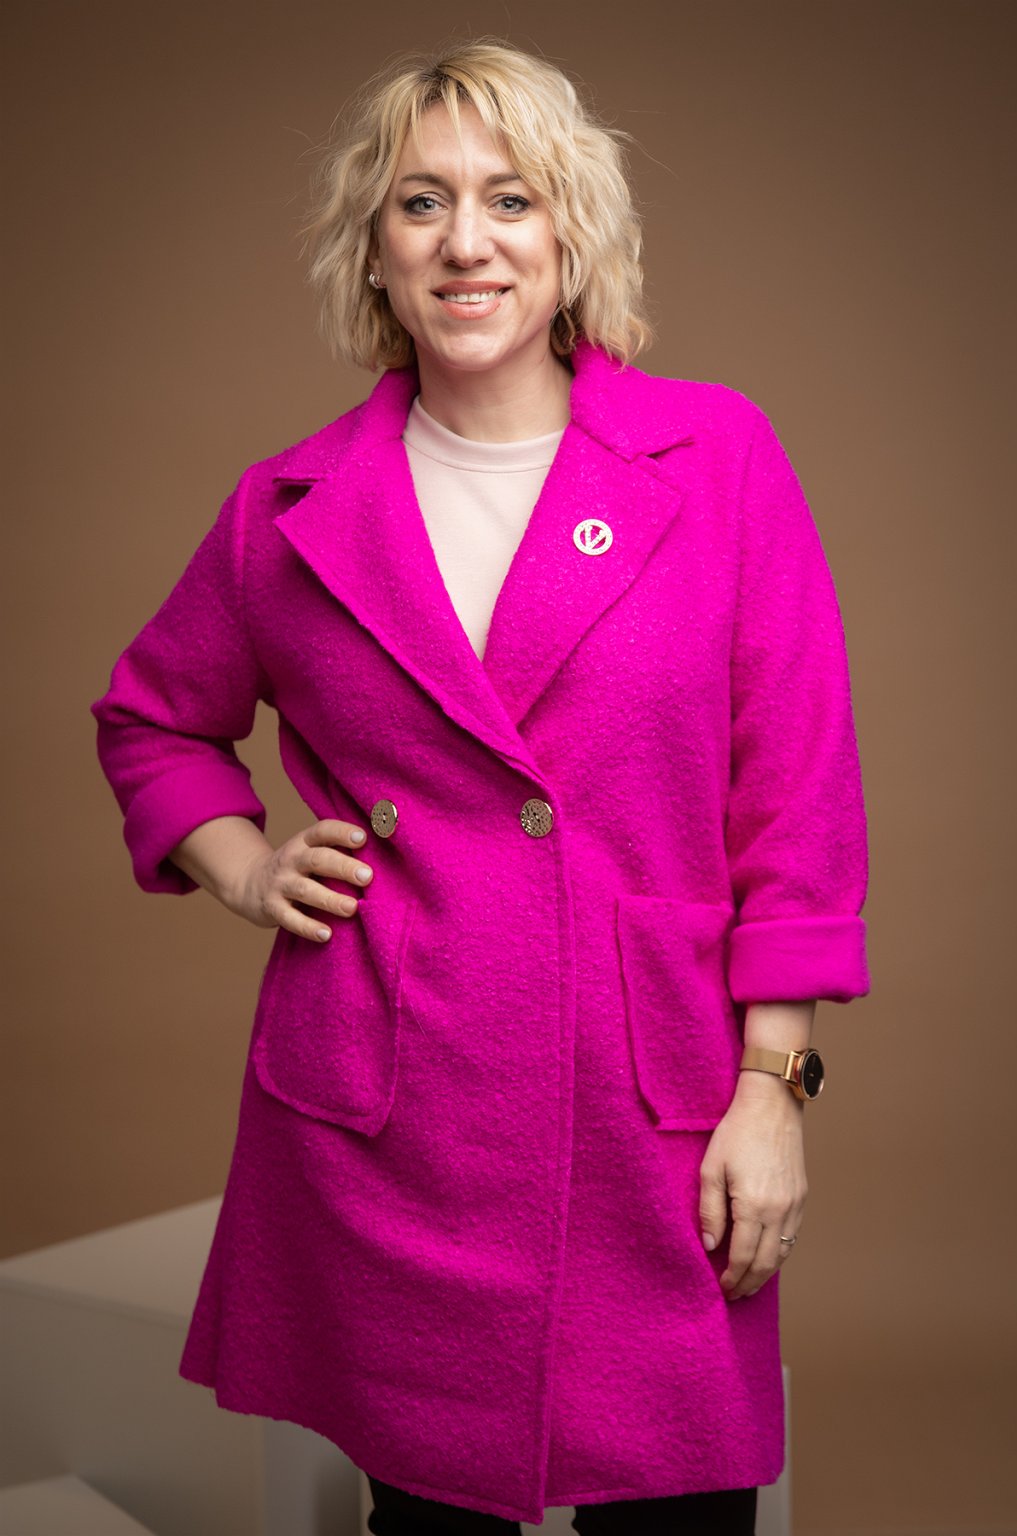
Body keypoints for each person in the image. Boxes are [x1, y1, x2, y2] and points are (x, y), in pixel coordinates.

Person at [90, 36, 871, 1536]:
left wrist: (774, 1092)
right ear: (374, 249)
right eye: (422, 202)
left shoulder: (716, 458)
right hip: (396, 1119)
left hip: (656, 1105)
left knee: (683, 1508)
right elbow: (154, 721)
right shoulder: (292, 509)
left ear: (571, 232)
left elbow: (798, 798)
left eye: (510, 199)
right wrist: (246, 867)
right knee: (429, 1519)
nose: (467, 242)